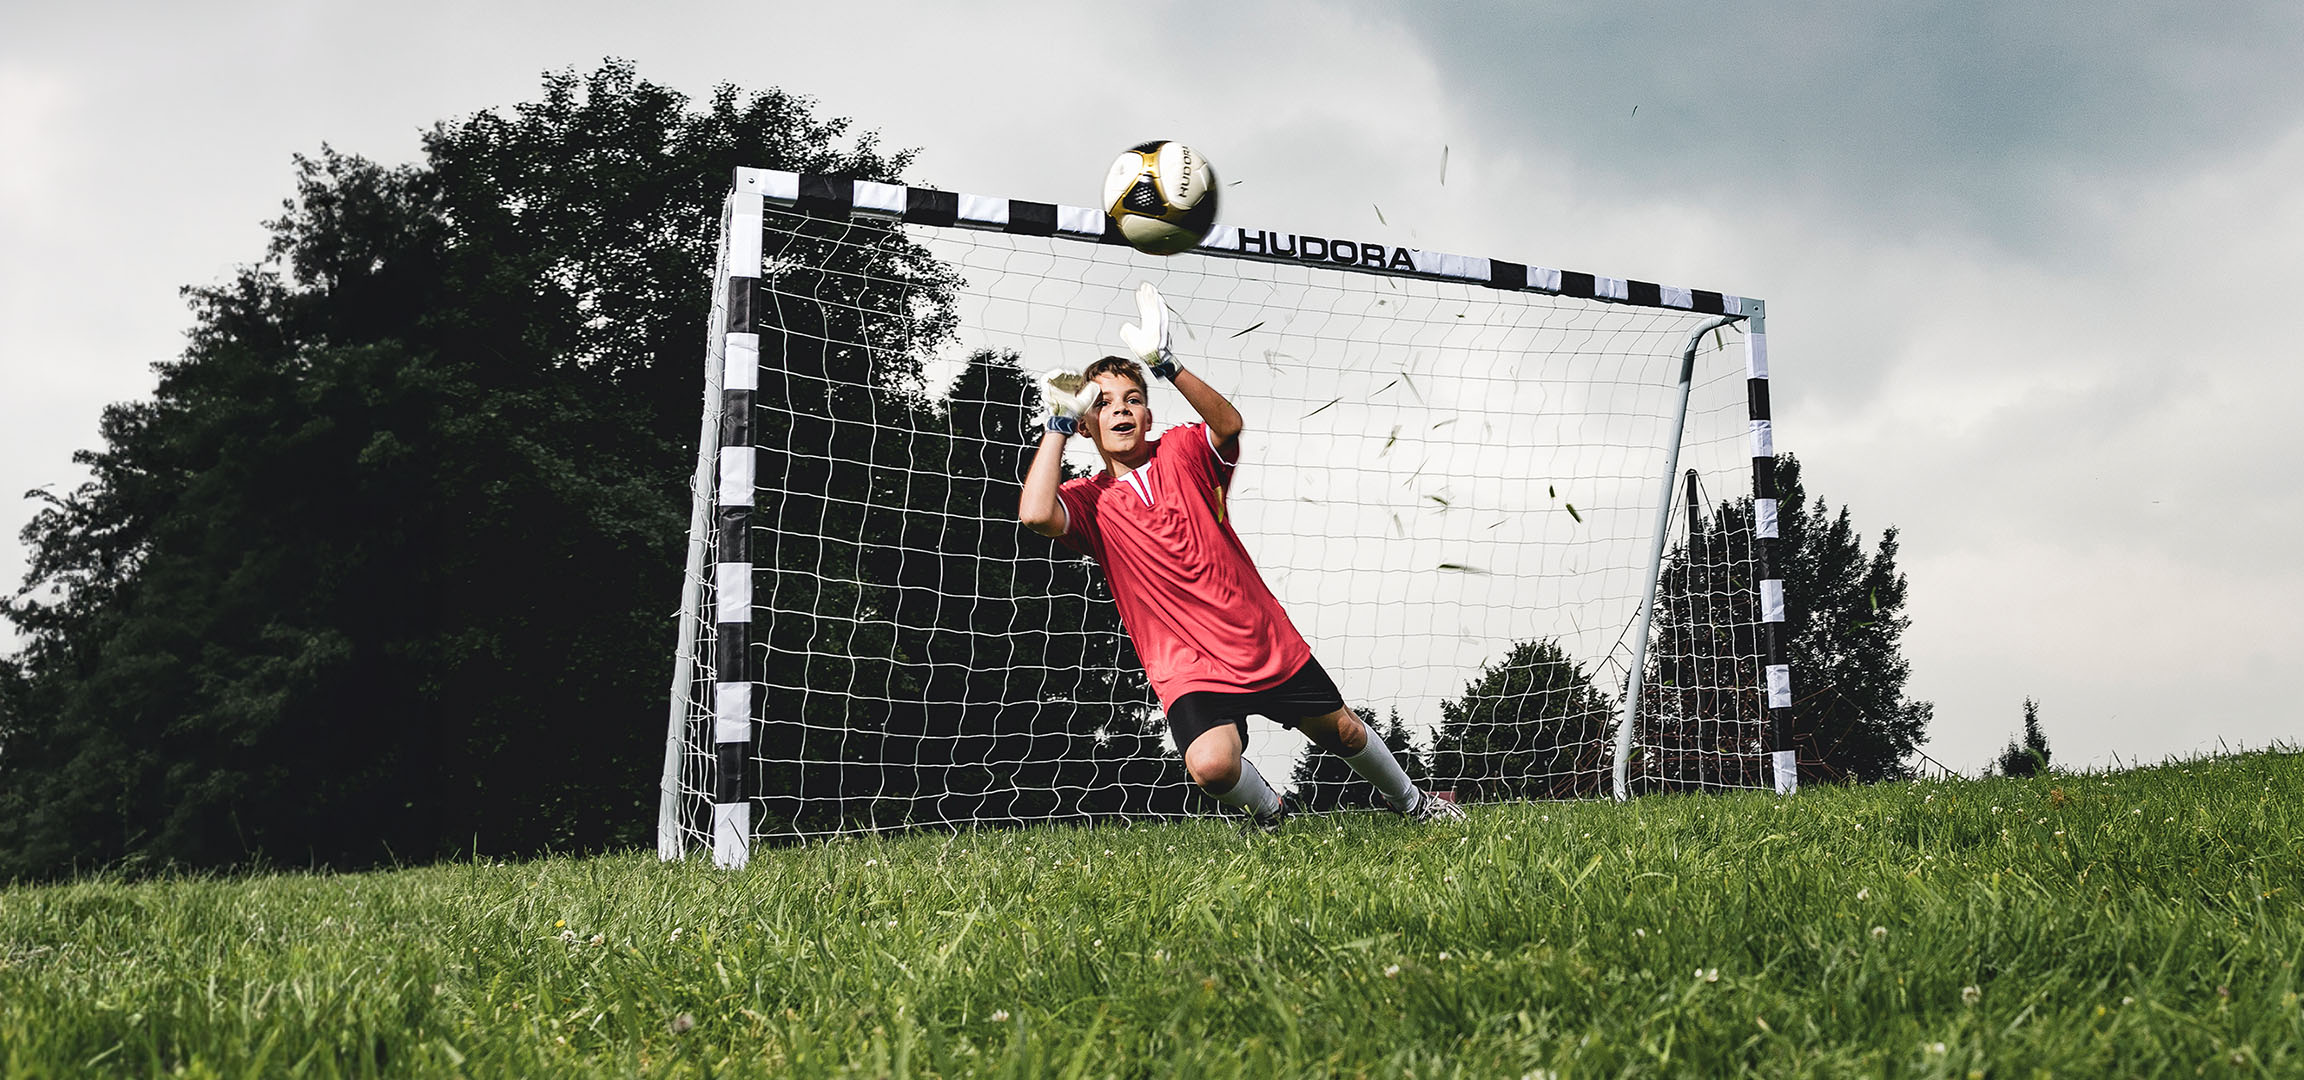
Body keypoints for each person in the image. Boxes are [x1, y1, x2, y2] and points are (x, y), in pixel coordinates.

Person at [1017, 283, 1465, 832]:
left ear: (1150, 415)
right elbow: (1037, 515)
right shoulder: (1088, 501)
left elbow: (1227, 426)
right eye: (1103, 403)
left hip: (1258, 638)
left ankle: (1417, 805)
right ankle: (1273, 813)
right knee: (1210, 765)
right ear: (1087, 423)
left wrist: (1166, 364)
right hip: (1187, 664)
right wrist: (1057, 427)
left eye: (1133, 398)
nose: (1121, 410)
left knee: (1344, 732)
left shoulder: (1181, 451)